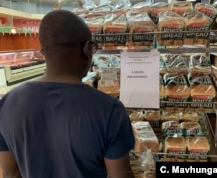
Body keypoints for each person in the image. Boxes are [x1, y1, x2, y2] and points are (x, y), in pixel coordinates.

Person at [0, 10, 135, 178]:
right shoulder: (110, 109)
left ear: (43, 50)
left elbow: (10, 172)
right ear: (87, 49)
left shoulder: (6, 103)